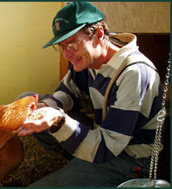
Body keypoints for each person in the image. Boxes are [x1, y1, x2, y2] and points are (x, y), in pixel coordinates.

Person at [17, 2, 163, 187]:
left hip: (126, 158)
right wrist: (47, 107)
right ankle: (76, 157)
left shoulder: (134, 73)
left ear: (99, 34)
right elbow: (68, 91)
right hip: (101, 135)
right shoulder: (89, 58)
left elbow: (106, 148)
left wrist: (58, 121)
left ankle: (84, 164)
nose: (67, 55)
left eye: (72, 44)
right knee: (28, 98)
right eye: (62, 46)